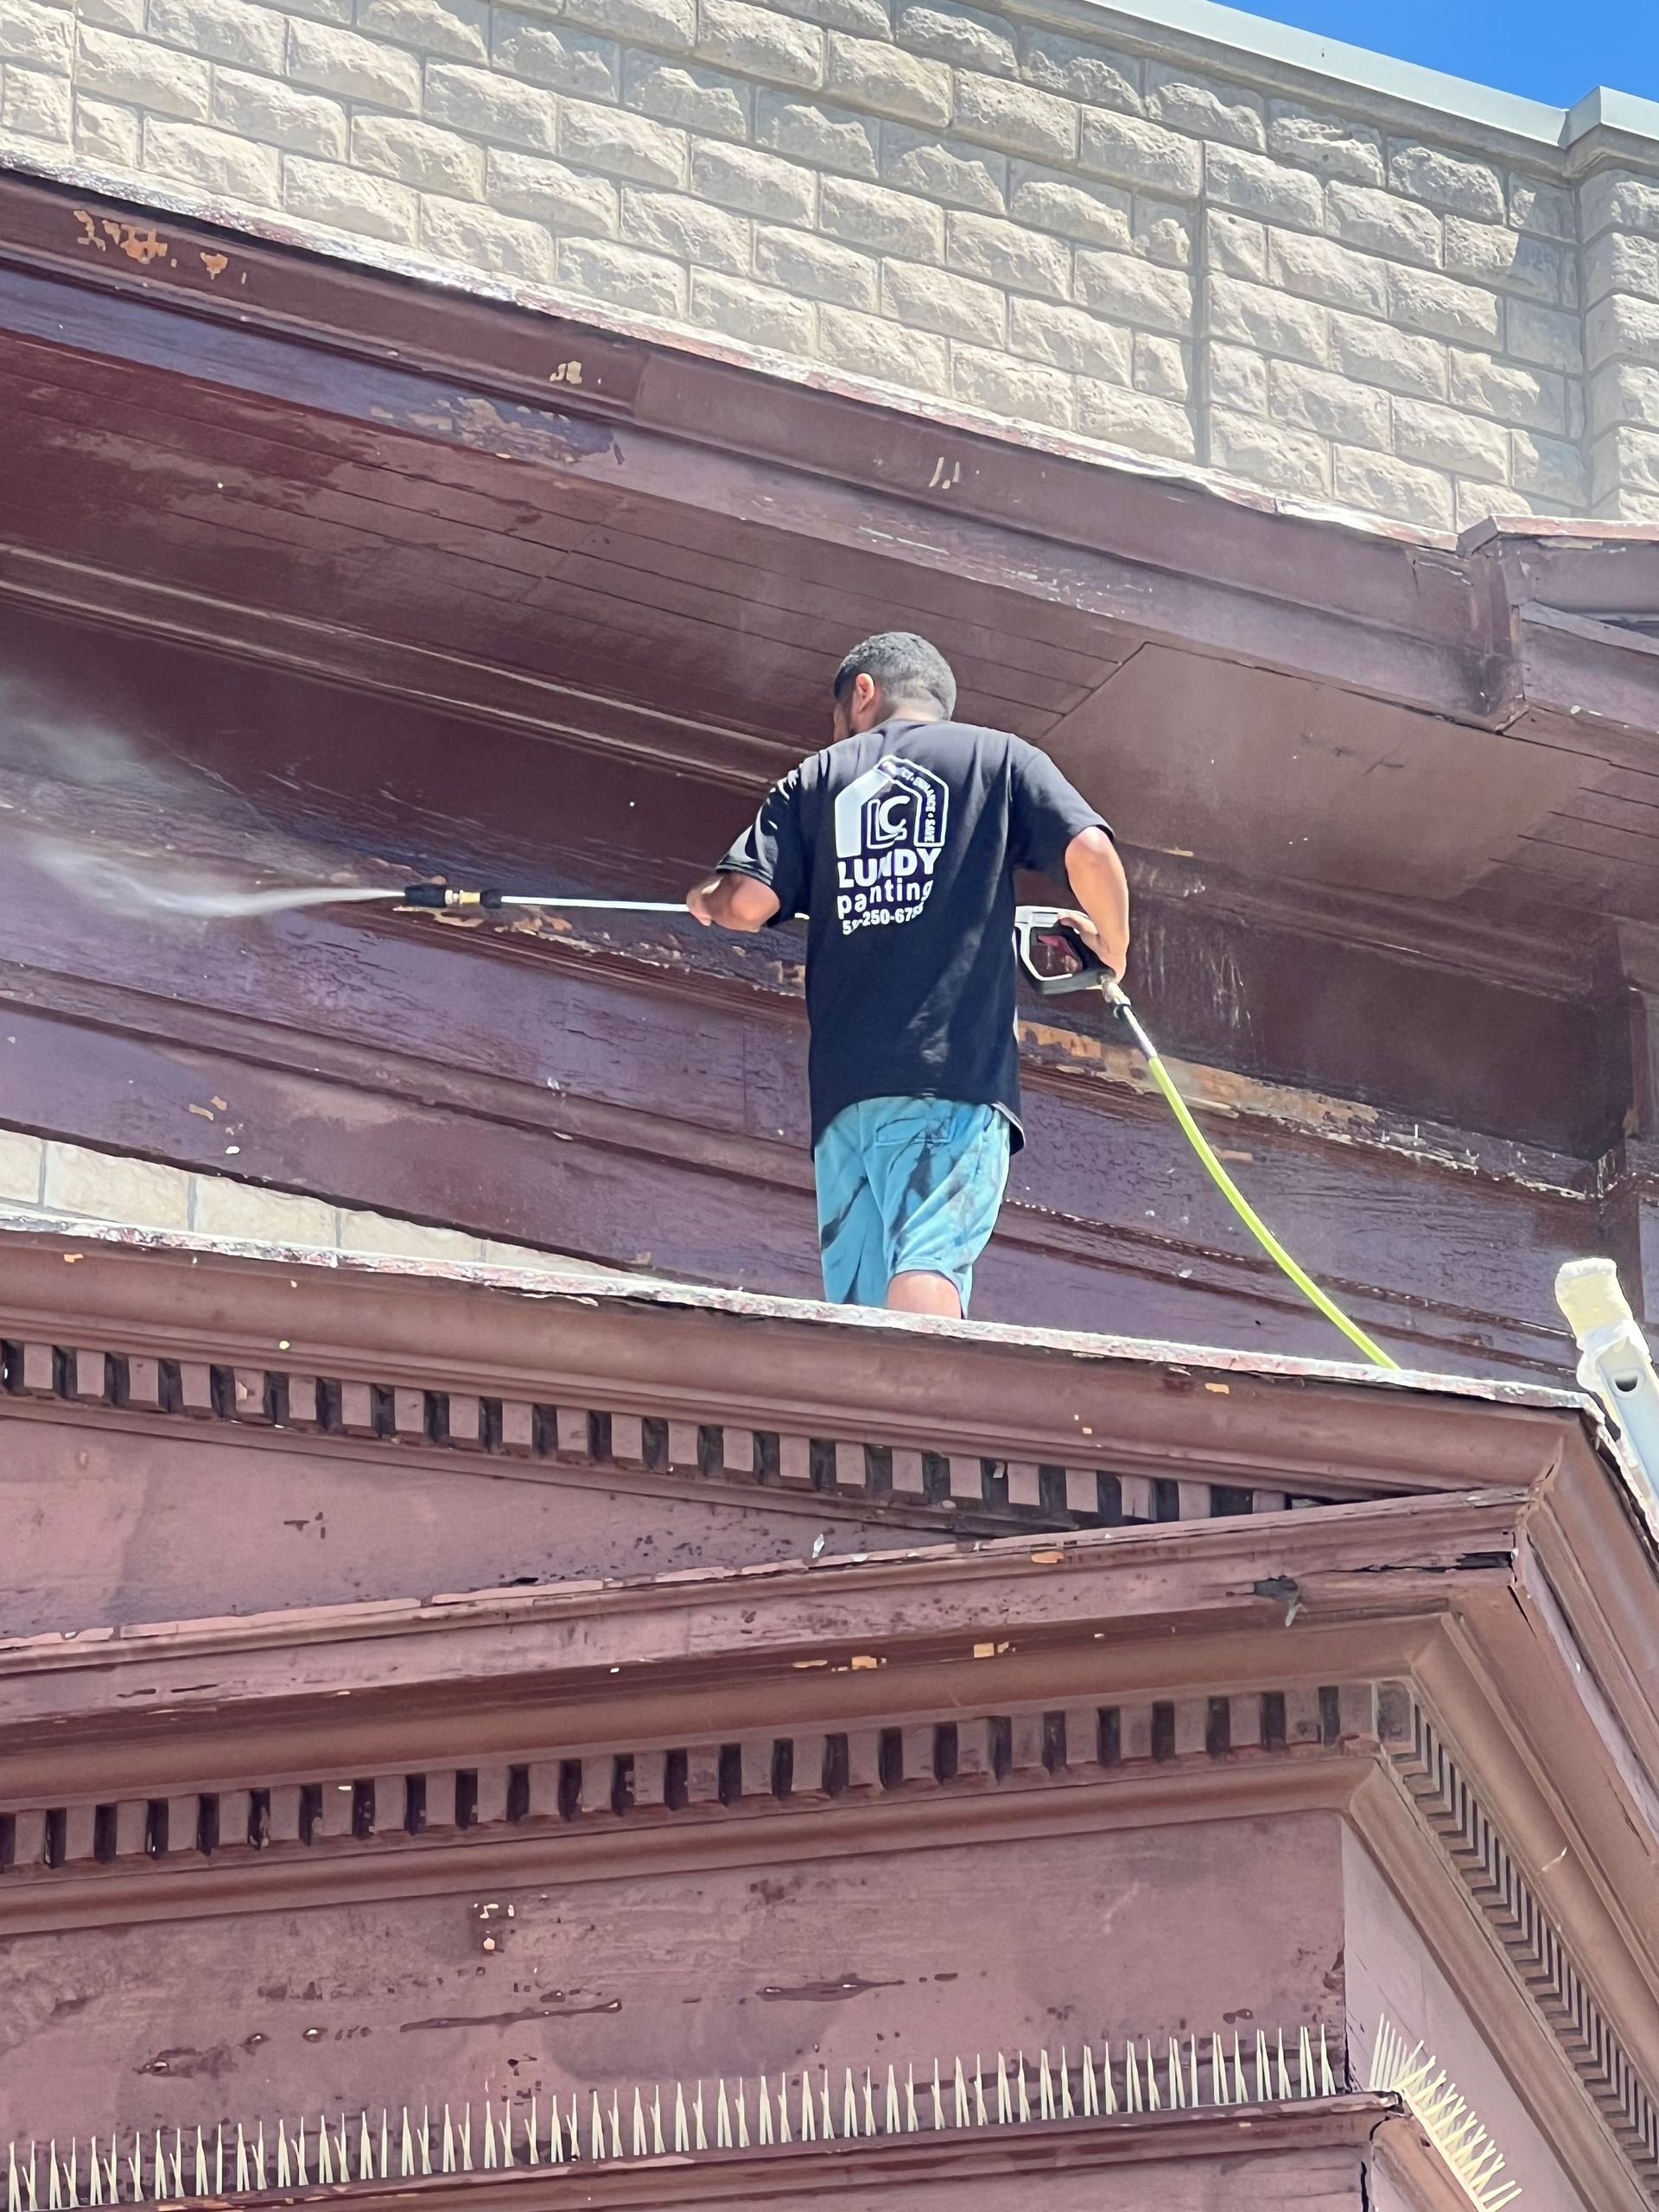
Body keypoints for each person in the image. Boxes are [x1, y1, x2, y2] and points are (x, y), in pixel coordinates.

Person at [687, 632, 1129, 1319]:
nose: (838, 732)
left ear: (863, 692)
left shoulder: (815, 779)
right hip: (949, 1081)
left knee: (862, 1307)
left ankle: (877, 1424)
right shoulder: (1000, 758)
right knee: (928, 1255)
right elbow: (1091, 851)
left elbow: (746, 904)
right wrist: (1115, 948)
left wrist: (705, 899)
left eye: (837, 716)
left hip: (845, 1102)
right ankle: (919, 1419)